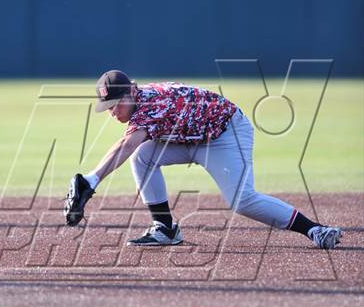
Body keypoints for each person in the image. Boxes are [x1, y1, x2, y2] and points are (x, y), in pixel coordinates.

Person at [64, 70, 343, 249]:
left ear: (130, 92)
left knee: (242, 200)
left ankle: (315, 230)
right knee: (143, 158)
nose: (112, 112)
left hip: (225, 134)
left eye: (115, 105)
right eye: (108, 107)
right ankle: (165, 228)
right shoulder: (139, 100)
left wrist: (92, 179)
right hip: (191, 136)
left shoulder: (151, 106)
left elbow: (126, 144)